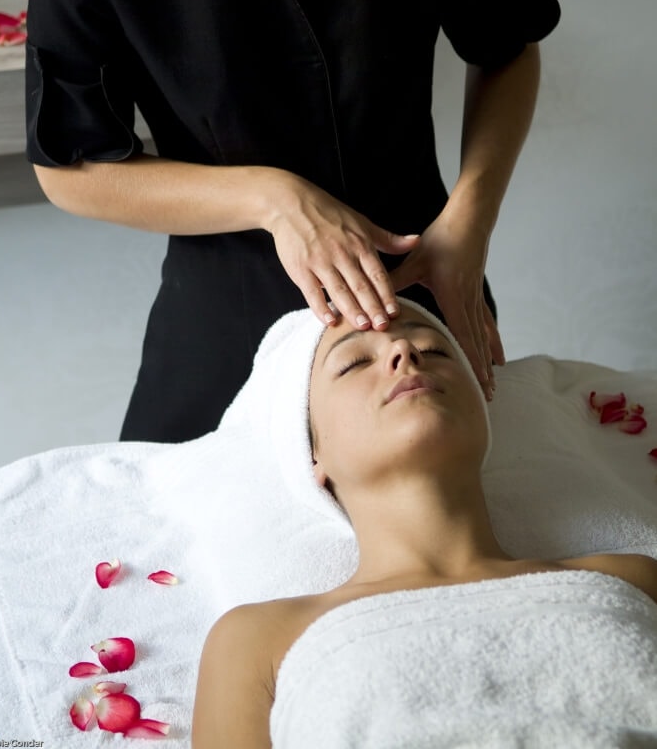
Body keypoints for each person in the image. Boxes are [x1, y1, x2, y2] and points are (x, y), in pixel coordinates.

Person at [25, 0, 561, 443]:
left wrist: (469, 221)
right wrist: (273, 198)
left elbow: (504, 49)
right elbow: (72, 170)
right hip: (221, 329)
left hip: (421, 298)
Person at [191, 300, 657, 747]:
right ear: (311, 452)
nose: (403, 351)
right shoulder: (256, 640)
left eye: (433, 350)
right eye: (354, 361)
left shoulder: (630, 579)